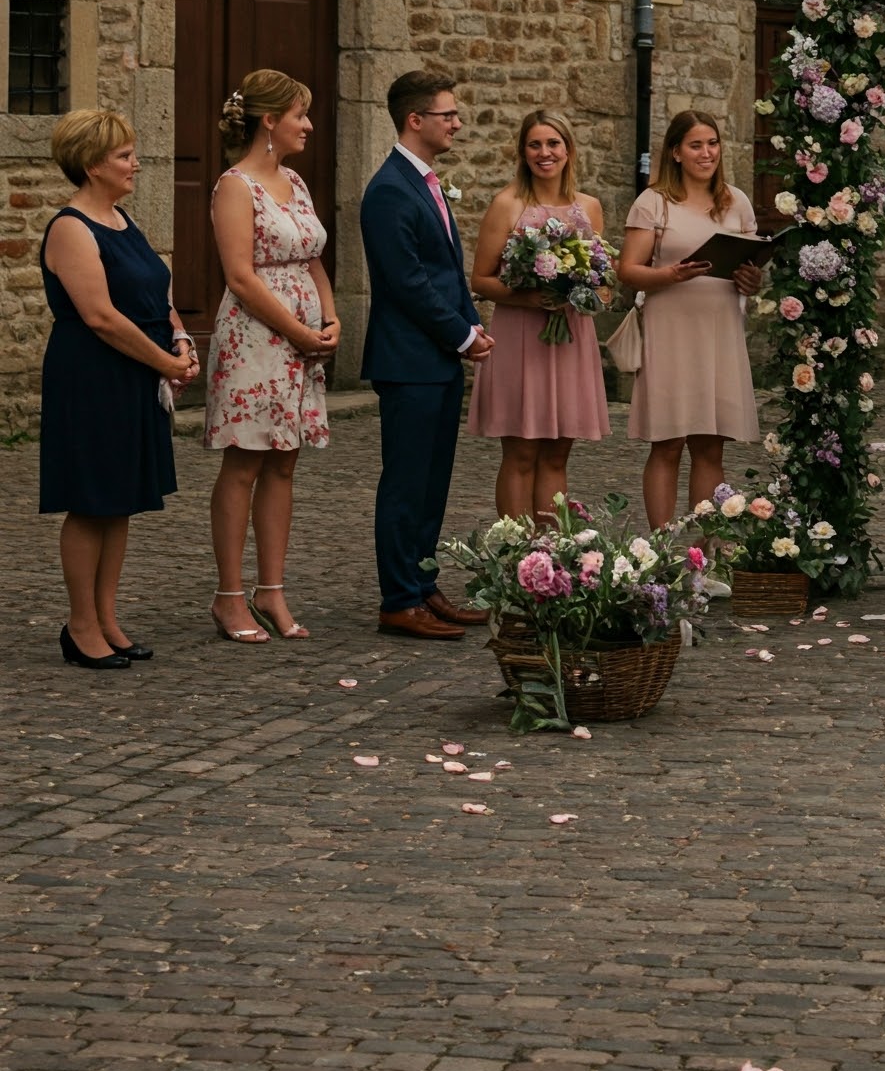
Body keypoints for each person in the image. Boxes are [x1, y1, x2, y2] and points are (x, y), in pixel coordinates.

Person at [39, 109, 201, 668]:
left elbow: (156, 291)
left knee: (120, 501)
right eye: (124, 156)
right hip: (92, 376)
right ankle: (80, 625)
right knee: (90, 501)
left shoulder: (120, 218)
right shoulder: (70, 227)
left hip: (134, 370)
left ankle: (107, 617)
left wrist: (181, 341)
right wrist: (165, 362)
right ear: (91, 165)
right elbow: (101, 316)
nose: (136, 163)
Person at [201, 70, 338, 644]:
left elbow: (311, 257)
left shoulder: (296, 182)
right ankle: (229, 596)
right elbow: (240, 275)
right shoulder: (235, 187)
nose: (308, 125)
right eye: (300, 115)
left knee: (285, 461)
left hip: (303, 342)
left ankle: (271, 591)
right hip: (255, 339)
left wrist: (329, 318)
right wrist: (298, 332)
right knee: (245, 461)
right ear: (269, 121)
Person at [359, 70, 495, 641]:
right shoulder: (389, 189)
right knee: (406, 482)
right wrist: (460, 336)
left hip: (436, 356)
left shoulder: (426, 182)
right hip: (408, 358)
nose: (458, 123)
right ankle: (398, 599)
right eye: (449, 115)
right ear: (415, 121)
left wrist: (470, 324)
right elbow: (407, 281)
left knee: (434, 480)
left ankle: (423, 583)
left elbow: (444, 272)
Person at [622, 110, 765, 528]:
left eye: (713, 143)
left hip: (719, 330)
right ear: (676, 153)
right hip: (670, 330)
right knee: (667, 444)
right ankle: (661, 551)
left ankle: (707, 554)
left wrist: (752, 279)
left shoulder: (735, 201)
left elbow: (748, 266)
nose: (707, 153)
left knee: (711, 447)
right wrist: (669, 275)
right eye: (696, 145)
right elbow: (627, 269)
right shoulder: (654, 202)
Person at [468, 110, 612, 521]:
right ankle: (515, 557)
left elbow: (603, 280)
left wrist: (588, 291)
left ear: (568, 150)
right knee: (521, 454)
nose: (544, 153)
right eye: (535, 144)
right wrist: (529, 297)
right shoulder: (507, 204)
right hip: (520, 337)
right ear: (522, 152)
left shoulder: (589, 208)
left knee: (556, 455)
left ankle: (549, 561)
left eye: (553, 144)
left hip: (569, 336)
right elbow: (481, 279)